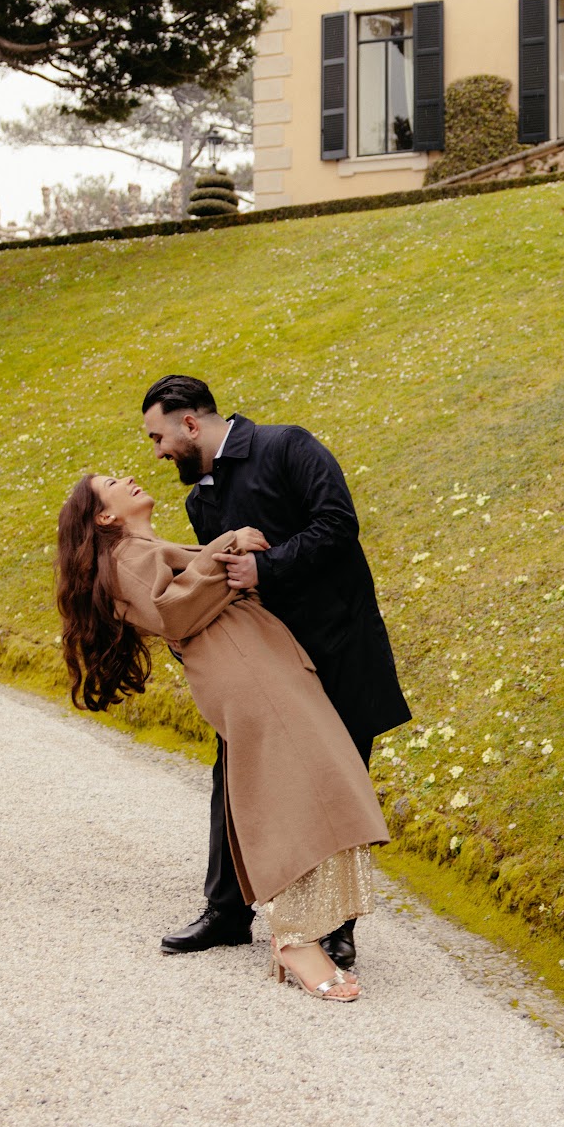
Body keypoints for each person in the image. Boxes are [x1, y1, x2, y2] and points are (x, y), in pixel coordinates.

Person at [54, 474, 388, 1000]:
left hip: (260, 661)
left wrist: (221, 553)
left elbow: (189, 591)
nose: (131, 477)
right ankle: (294, 938)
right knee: (294, 789)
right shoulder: (123, 558)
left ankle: (304, 930)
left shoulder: (150, 547)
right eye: (115, 483)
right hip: (243, 668)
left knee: (315, 782)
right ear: (104, 518)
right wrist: (228, 545)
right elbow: (171, 613)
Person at [139, 375, 409, 966]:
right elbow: (223, 587)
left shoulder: (288, 446)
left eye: (159, 437)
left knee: (336, 786)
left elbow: (338, 525)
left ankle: (338, 926)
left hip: (337, 649)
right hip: (263, 667)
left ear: (190, 423)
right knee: (233, 777)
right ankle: (227, 912)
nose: (157, 452)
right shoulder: (199, 501)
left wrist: (269, 569)